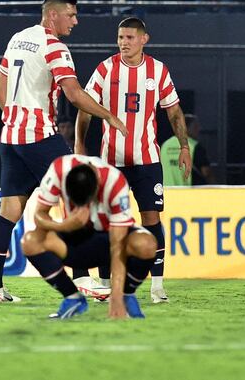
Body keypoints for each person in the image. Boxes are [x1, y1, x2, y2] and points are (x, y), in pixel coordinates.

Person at [0, 0, 128, 303]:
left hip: (10, 137)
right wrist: (110, 117)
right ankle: (84, 277)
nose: (75, 21)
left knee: (8, 212)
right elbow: (74, 95)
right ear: (53, 15)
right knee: (83, 193)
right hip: (39, 136)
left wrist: (14, 116)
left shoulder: (18, 38)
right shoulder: (55, 46)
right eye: (71, 15)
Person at [74, 17, 192, 304]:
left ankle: (158, 287)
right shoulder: (105, 69)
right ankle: (104, 284)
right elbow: (86, 108)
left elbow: (174, 112)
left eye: (129, 37)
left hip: (147, 161)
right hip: (110, 162)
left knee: (151, 220)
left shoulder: (158, 71)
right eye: (120, 38)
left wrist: (184, 146)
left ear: (143, 39)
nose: (123, 43)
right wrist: (78, 144)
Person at [21, 155, 157, 319]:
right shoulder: (58, 170)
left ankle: (126, 295)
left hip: (110, 238)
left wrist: (116, 295)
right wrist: (63, 226)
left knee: (146, 243)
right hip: (77, 239)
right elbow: (39, 215)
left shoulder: (114, 181)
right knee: (31, 241)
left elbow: (117, 243)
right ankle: (73, 298)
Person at [162, 113, 215, 186]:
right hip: (187, 192)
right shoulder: (195, 146)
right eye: (195, 127)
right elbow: (206, 172)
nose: (198, 130)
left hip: (167, 191)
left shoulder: (165, 145)